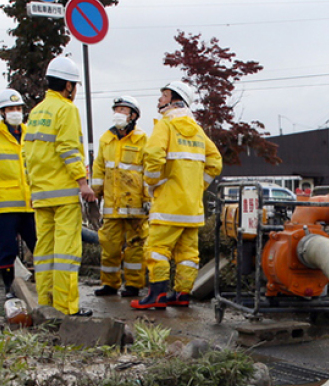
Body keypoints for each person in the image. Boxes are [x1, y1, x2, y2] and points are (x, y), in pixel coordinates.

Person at [131, 81, 222, 311]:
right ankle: (182, 295)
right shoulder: (198, 130)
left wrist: (154, 183)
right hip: (191, 208)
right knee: (188, 253)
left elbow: (153, 155)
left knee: (157, 249)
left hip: (168, 205)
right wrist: (196, 186)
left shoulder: (166, 124)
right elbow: (215, 162)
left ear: (174, 98)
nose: (160, 100)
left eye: (163, 95)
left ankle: (157, 295)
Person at [23, 56, 96, 317]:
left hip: (41, 194)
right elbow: (68, 150)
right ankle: (66, 307)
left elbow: (27, 154)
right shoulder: (66, 110)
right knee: (66, 252)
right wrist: (83, 183)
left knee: (44, 250)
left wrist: (32, 187)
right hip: (64, 193)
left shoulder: (36, 112)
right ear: (68, 85)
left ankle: (47, 302)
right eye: (74, 85)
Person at [0, 88, 38, 299]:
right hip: (4, 204)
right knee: (7, 249)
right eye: (10, 108)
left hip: (30, 203)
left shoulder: (30, 133)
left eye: (18, 108)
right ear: (2, 112)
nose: (15, 112)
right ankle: (8, 288)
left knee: (39, 245)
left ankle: (45, 285)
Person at [92, 95, 150, 298]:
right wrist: (95, 193)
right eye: (116, 109)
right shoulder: (105, 140)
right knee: (109, 246)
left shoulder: (143, 140)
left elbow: (148, 172)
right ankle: (110, 284)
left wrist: (148, 200)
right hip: (112, 206)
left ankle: (134, 285)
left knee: (136, 248)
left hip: (135, 206)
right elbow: (99, 169)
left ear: (134, 115)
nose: (118, 114)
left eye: (123, 110)